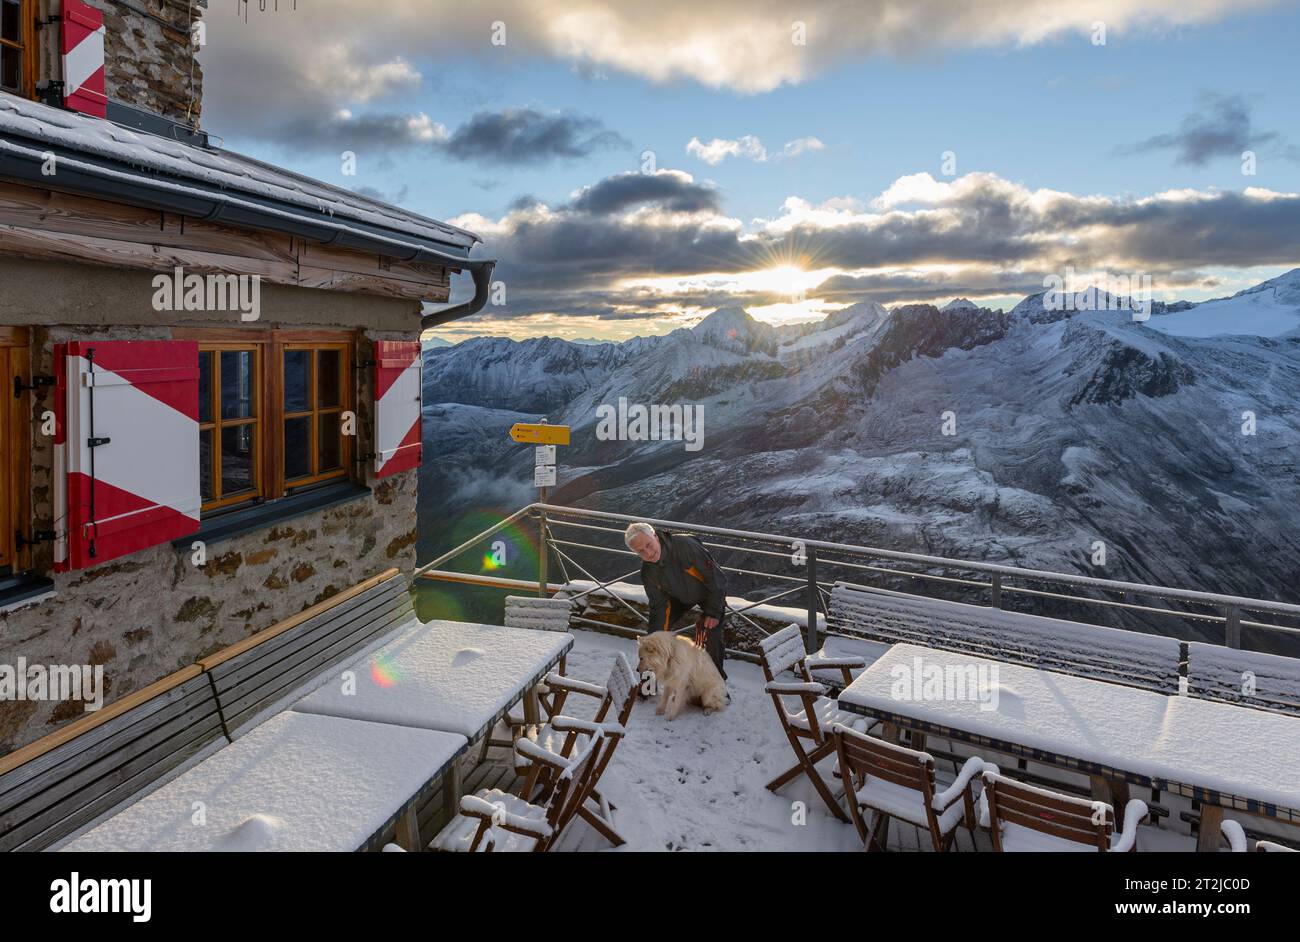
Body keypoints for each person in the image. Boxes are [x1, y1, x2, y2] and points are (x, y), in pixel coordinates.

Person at [624, 521, 727, 681]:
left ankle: (716, 684)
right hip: (677, 597)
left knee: (712, 637)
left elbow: (716, 579)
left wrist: (713, 612)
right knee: (653, 639)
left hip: (708, 593)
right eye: (641, 551)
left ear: (656, 537)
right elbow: (658, 607)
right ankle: (648, 685)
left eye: (649, 545)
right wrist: (656, 635)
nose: (648, 553)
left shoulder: (686, 546)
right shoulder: (648, 572)